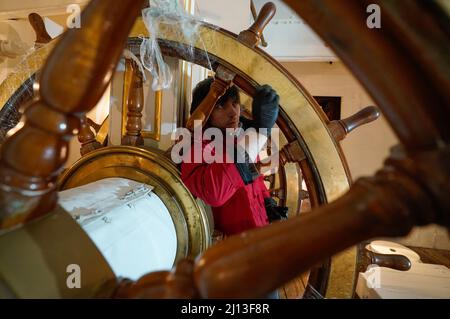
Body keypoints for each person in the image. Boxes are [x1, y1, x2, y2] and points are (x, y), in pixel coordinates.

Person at [180, 77, 287, 237]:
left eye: (235, 103)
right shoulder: (196, 145)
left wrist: (269, 206)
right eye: (220, 106)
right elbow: (214, 192)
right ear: (205, 110)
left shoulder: (240, 139)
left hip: (258, 236)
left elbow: (256, 181)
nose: (233, 112)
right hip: (231, 250)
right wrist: (259, 131)